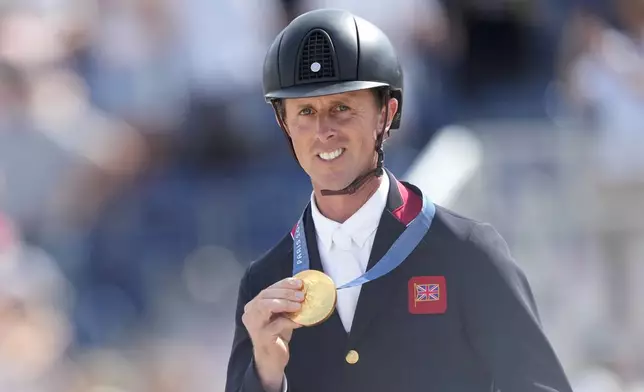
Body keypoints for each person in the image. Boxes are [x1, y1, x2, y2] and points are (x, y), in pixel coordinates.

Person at [225, 8, 573, 392]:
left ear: (386, 114)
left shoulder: (467, 253)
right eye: (306, 112)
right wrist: (266, 377)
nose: (324, 131)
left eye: (342, 107)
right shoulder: (265, 284)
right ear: (284, 124)